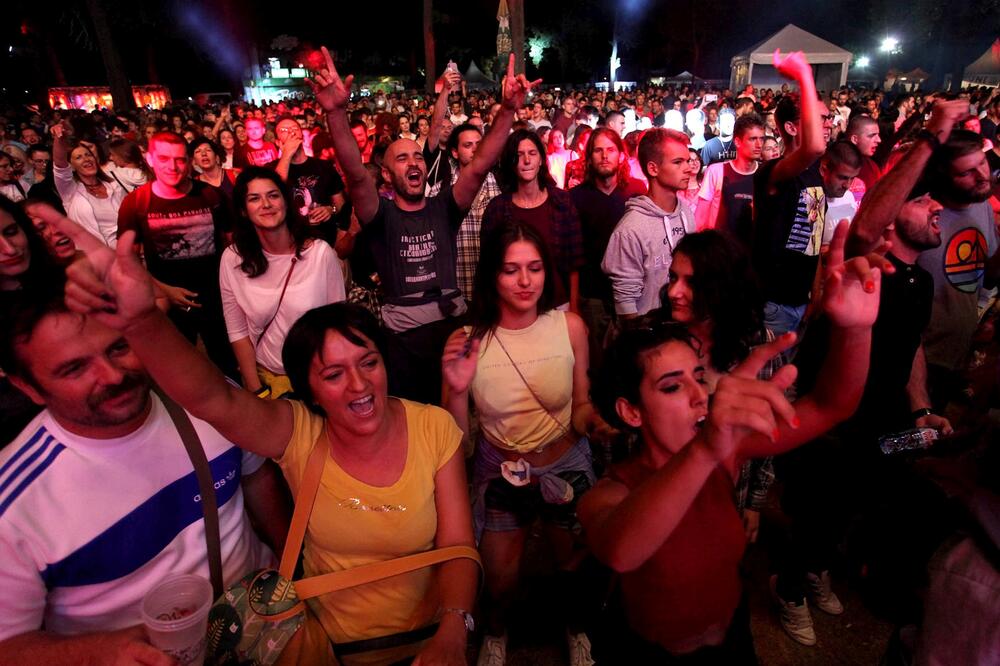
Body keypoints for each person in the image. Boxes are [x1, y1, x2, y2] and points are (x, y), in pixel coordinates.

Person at [47, 200, 479, 665]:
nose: (359, 385)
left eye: (368, 363)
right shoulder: (297, 432)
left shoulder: (433, 427)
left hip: (432, 645)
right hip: (324, 651)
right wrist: (143, 323)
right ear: (310, 393)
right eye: (333, 375)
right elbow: (214, 399)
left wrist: (454, 629)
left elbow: (458, 547)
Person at [580, 222, 882, 662]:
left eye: (699, 377)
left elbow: (831, 405)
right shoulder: (610, 492)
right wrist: (706, 448)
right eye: (672, 386)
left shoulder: (729, 455)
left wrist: (855, 329)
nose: (701, 395)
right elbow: (621, 550)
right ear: (631, 411)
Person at [0, 282, 285, 664]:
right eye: (75, 368)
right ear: (27, 386)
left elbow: (257, 479)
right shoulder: (14, 506)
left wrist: (292, 567)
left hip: (268, 632)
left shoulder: (206, 401)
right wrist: (98, 652)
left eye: (119, 347)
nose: (112, 376)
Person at [311, 48, 538, 405]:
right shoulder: (380, 215)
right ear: (387, 175)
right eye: (402, 158)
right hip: (404, 344)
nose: (414, 162)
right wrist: (336, 114)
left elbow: (479, 166)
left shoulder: (443, 206)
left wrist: (508, 110)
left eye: (418, 156)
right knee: (417, 423)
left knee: (461, 421)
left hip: (453, 332)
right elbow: (355, 173)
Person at [441, 222, 608, 666]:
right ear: (491, 275)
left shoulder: (569, 326)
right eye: (510, 269)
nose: (524, 280)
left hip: (566, 460)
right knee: (499, 577)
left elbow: (581, 404)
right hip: (500, 468)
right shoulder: (468, 340)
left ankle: (576, 629)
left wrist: (597, 424)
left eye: (534, 268)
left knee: (572, 566)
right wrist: (455, 391)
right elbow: (455, 439)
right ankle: (496, 633)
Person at [117, 130, 237, 378]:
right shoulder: (136, 202)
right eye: (164, 159)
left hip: (216, 300)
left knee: (227, 367)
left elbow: (231, 244)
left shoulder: (210, 195)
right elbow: (126, 259)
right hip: (169, 305)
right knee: (179, 372)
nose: (172, 167)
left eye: (180, 160)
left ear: (189, 161)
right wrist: (163, 290)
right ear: (149, 158)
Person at [220, 167, 346, 398]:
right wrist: (257, 390)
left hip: (319, 378)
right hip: (269, 381)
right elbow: (238, 331)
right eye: (254, 198)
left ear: (286, 203)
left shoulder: (320, 254)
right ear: (243, 211)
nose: (266, 204)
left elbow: (339, 323)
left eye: (273, 195)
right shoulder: (233, 259)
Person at [750, 50, 832, 335]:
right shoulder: (772, 172)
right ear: (791, 127)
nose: (828, 124)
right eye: (819, 119)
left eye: (828, 118)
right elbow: (814, 147)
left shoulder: (814, 172)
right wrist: (804, 75)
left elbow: (813, 238)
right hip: (774, 303)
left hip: (802, 299)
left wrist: (816, 291)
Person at [482, 129, 584, 312]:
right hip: (513, 307)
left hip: (558, 304)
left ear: (541, 160)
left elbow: (574, 262)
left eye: (532, 153)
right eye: (519, 155)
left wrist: (575, 308)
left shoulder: (561, 201)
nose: (527, 160)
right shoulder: (497, 209)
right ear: (511, 162)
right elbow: (489, 266)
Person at [601, 128, 697, 318]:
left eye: (687, 161)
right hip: (649, 330)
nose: (688, 168)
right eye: (678, 162)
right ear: (653, 169)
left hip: (683, 326)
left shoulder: (685, 212)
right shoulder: (630, 229)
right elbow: (626, 304)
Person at [569, 128, 646, 360]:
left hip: (633, 293)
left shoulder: (637, 191)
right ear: (589, 157)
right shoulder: (575, 197)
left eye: (611, 150)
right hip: (593, 295)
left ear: (621, 155)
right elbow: (572, 255)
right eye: (598, 150)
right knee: (598, 362)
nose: (604, 156)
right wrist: (574, 304)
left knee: (633, 359)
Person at [446, 122, 502, 303]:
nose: (475, 149)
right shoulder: (441, 192)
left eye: (479, 144)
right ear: (455, 152)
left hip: (494, 291)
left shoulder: (501, 185)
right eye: (467, 145)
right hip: (456, 293)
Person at [270, 117, 347, 245]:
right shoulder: (271, 169)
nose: (291, 132)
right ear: (278, 142)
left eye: (294, 129)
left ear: (302, 137)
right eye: (284, 130)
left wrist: (330, 209)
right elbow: (274, 190)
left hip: (325, 240)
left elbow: (340, 206)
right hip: (290, 242)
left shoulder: (324, 167)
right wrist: (287, 154)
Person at [51, 124, 127, 248]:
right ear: (72, 166)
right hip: (94, 256)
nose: (86, 159)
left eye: (88, 155)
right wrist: (59, 138)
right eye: (79, 157)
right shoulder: (70, 191)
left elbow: (130, 220)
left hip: (127, 251)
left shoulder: (113, 185)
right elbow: (60, 166)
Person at [695, 114, 764, 245]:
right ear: (737, 141)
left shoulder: (765, 173)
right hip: (720, 248)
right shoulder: (716, 171)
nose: (759, 144)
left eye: (762, 139)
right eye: (753, 139)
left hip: (753, 248)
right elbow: (701, 215)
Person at [191, 136, 241, 200]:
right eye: (198, 151)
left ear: (217, 157)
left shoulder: (235, 175)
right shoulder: (194, 185)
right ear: (194, 161)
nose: (203, 154)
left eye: (208, 150)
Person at [845, 114, 883, 190]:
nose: (879, 140)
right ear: (854, 139)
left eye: (878, 135)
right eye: (872, 135)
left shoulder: (872, 166)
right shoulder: (835, 163)